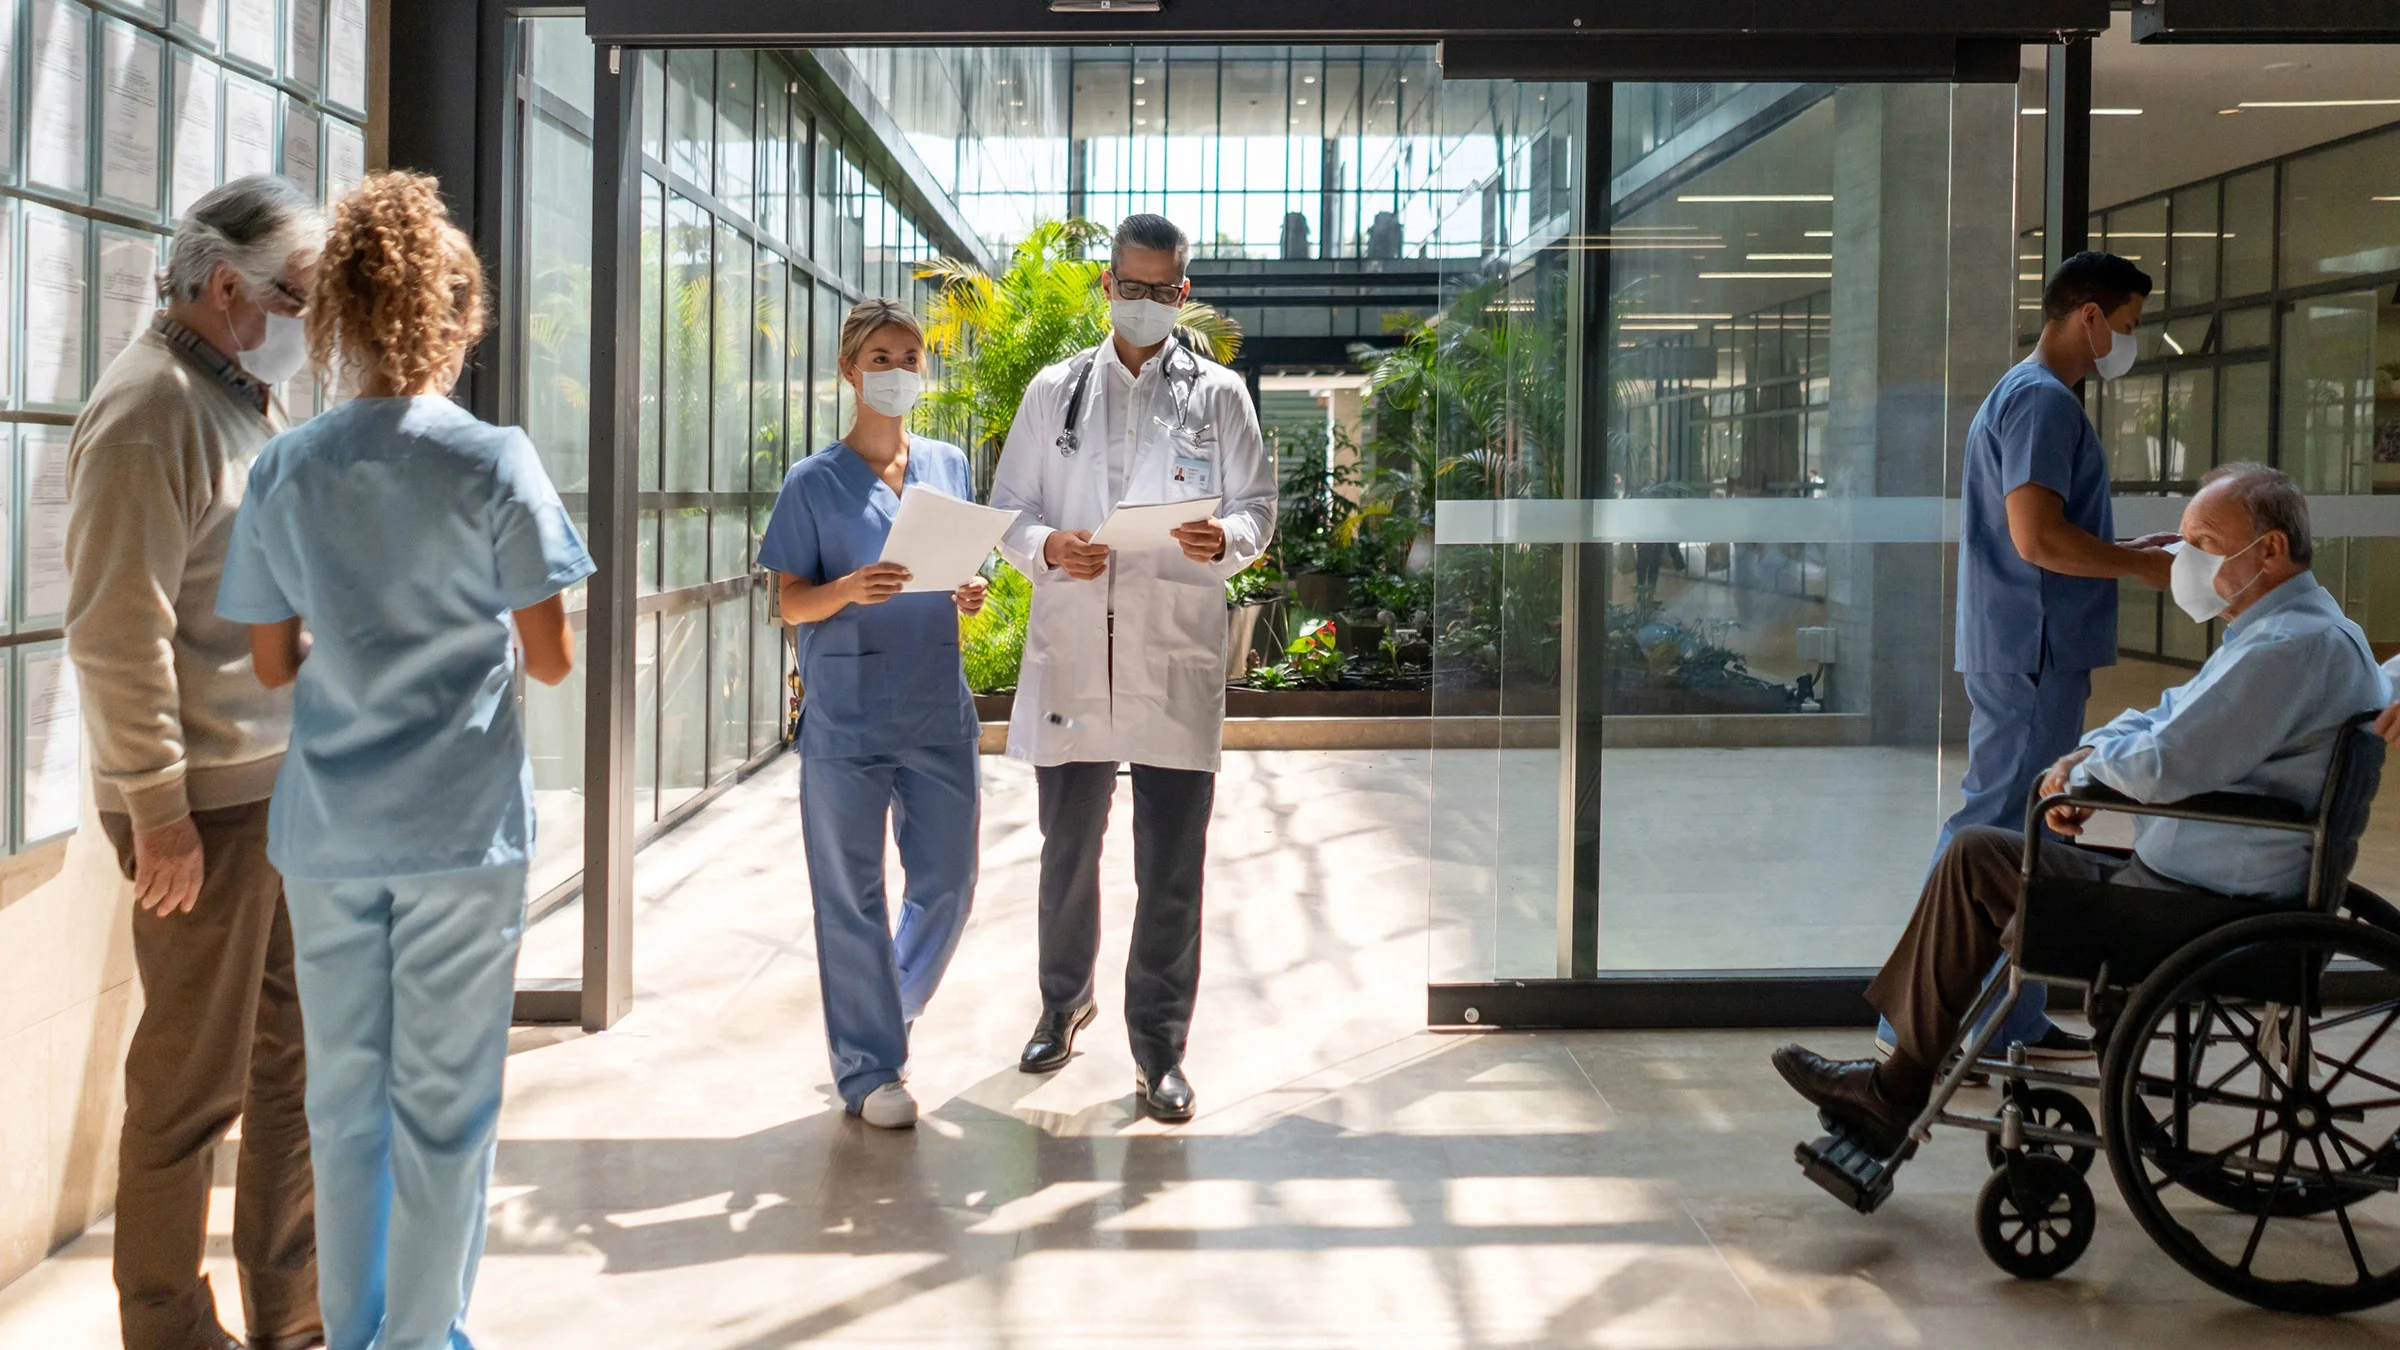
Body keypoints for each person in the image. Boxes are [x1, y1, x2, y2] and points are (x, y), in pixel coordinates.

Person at [214, 172, 592, 1350]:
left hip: (329, 834)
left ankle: (357, 1326)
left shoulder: (287, 466)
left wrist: (356, 625)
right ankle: (420, 1340)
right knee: (444, 1106)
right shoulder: (492, 460)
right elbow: (551, 661)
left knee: (342, 1100)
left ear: (331, 314)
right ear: (458, 314)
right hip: (459, 833)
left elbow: (273, 667)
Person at [1777, 465, 2386, 1152]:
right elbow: (2162, 718)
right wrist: (2081, 762)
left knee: (1977, 861)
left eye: (2205, 542)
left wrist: (2083, 778)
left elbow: (2164, 762)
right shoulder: (2287, 632)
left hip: (2201, 910)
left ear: (2269, 551)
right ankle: (1897, 1083)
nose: (2183, 560)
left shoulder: (2289, 650)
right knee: (1979, 852)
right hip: (2198, 888)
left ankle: (1894, 1089)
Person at [64, 173, 325, 1350]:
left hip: (276, 801)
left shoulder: (239, 402)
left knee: (290, 1079)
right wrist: (158, 813)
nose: (308, 325)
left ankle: (291, 1321)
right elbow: (116, 631)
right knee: (187, 1095)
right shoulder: (148, 411)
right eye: (299, 299)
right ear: (229, 288)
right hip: (204, 819)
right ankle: (166, 1328)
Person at [990, 213, 1276, 1122]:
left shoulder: (1221, 394)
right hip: (1078, 648)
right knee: (1068, 852)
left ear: (1181, 293)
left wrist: (1223, 535)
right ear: (1106, 285)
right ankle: (1062, 1001)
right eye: (1132, 286)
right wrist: (1049, 549)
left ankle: (1160, 1050)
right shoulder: (1055, 390)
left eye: (1163, 290)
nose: (1146, 304)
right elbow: (1010, 509)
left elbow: (1259, 508)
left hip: (1173, 649)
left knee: (1171, 864)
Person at [1873, 251, 2176, 1066]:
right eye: (2127, 326)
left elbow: (2048, 530)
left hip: (2021, 643)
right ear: (2088, 316)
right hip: (2032, 649)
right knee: (1997, 829)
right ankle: (1927, 1030)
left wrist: (2122, 548)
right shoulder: (2044, 403)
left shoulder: (2024, 395)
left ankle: (2008, 1017)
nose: (2127, 342)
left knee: (2015, 831)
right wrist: (2141, 565)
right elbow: (2037, 539)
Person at [755, 299, 987, 1130]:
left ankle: (883, 1006)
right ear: (851, 372)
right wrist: (849, 589)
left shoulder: (950, 466)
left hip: (934, 707)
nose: (898, 372)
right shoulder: (812, 483)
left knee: (949, 883)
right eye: (880, 358)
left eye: (911, 357)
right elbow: (789, 605)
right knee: (851, 897)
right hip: (847, 718)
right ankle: (869, 1069)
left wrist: (969, 590)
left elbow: (961, 569)